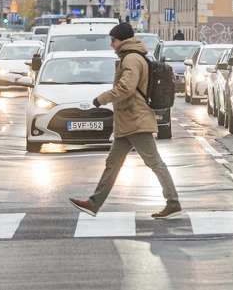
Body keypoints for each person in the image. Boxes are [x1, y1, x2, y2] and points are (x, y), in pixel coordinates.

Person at [69, 22, 182, 219]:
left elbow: (126, 88)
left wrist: (101, 99)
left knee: (154, 162)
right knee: (112, 163)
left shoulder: (131, 59)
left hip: (136, 119)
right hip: (128, 120)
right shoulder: (131, 57)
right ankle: (93, 204)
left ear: (122, 40)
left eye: (113, 40)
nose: (111, 44)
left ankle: (173, 203)